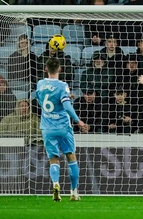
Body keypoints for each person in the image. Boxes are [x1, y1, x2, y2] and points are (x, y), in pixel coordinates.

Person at [35, 57, 87, 202]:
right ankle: (74, 192)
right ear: (60, 69)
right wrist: (78, 120)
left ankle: (56, 184)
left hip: (47, 127)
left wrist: (63, 98)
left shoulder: (40, 84)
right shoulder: (62, 85)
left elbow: (41, 100)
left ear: (46, 69)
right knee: (71, 157)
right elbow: (67, 107)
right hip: (63, 127)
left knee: (53, 159)